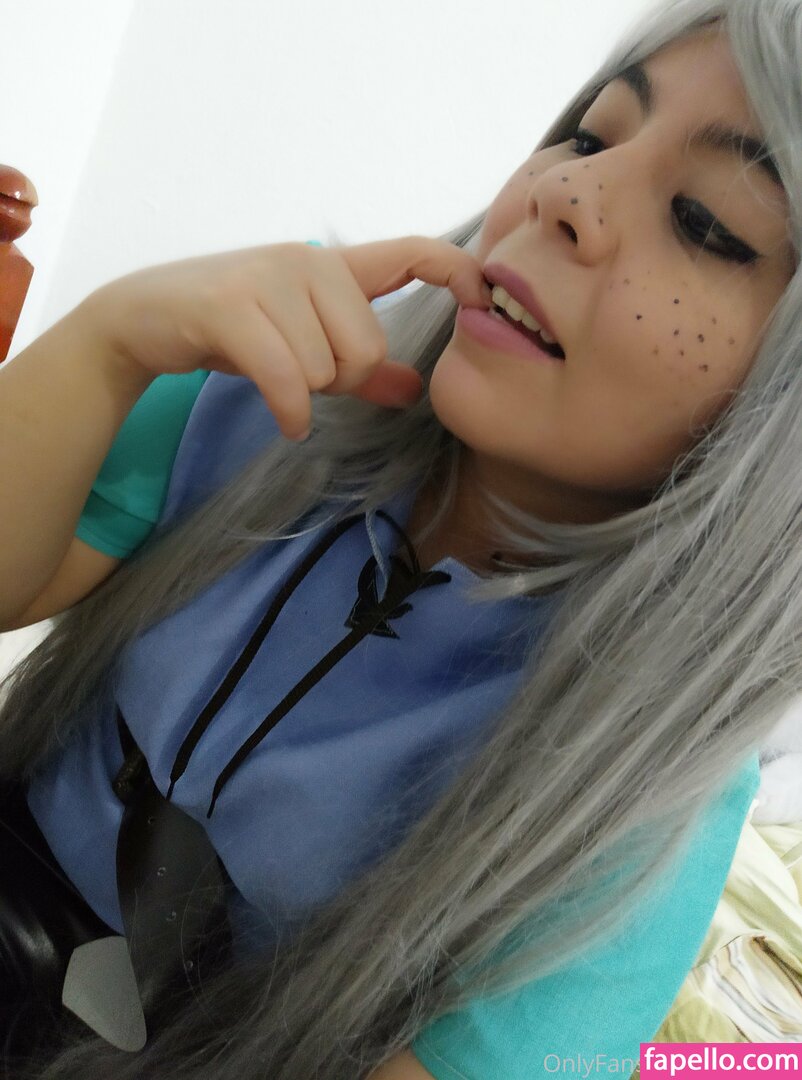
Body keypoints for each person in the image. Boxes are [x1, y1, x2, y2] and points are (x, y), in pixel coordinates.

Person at [0, 0, 798, 1075]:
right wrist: (110, 340)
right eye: (589, 136)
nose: (566, 193)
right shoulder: (274, 380)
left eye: (703, 220)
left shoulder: (644, 801)